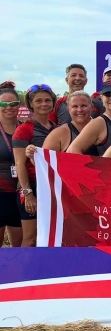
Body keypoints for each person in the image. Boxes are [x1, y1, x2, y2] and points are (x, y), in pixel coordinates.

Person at [12, 84, 57, 247]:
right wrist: (28, 194)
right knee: (31, 238)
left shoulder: (57, 129)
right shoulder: (24, 129)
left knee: (49, 236)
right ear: (30, 104)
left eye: (47, 100)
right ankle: (24, 273)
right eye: (38, 101)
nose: (43, 104)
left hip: (51, 187)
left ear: (53, 102)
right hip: (31, 186)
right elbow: (19, 164)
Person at [66, 81, 111, 156]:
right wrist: (93, 167)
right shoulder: (98, 123)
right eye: (108, 94)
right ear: (102, 98)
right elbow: (72, 150)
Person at [0, 81, 23, 247]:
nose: (9, 107)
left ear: (19, 105)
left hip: (20, 194)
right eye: (3, 104)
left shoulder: (25, 128)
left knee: (18, 248)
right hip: (0, 194)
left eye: (13, 103)